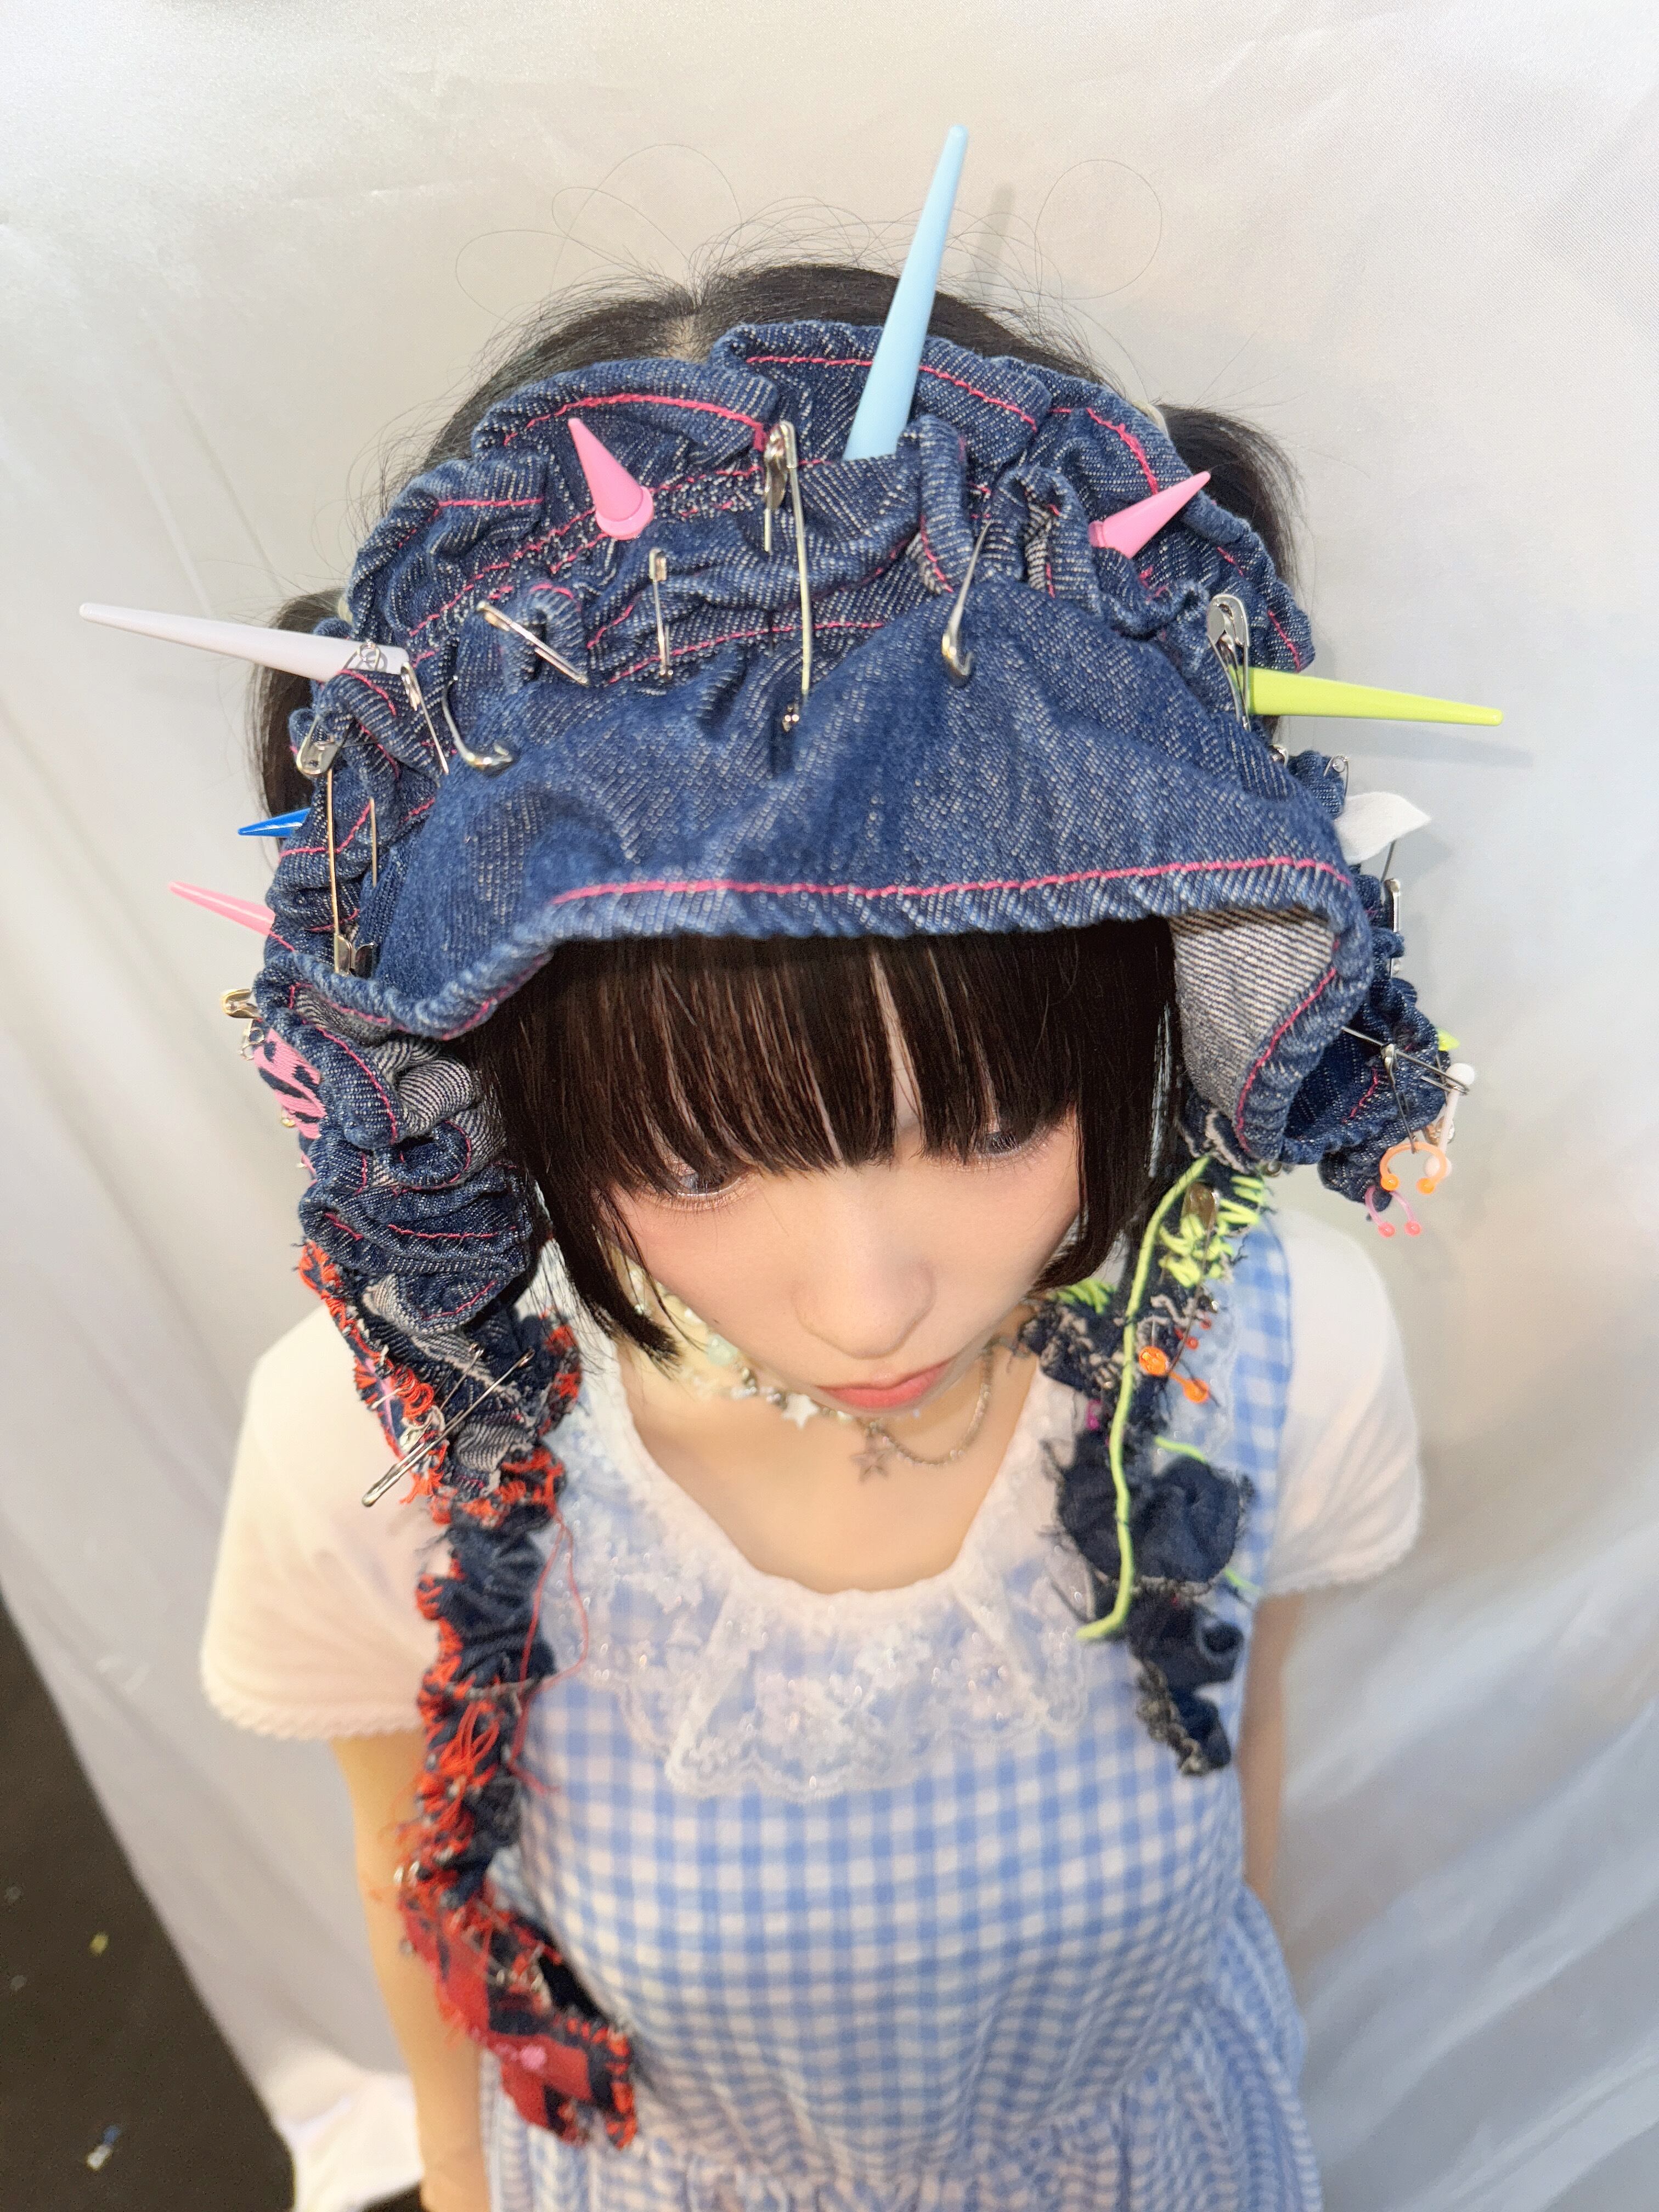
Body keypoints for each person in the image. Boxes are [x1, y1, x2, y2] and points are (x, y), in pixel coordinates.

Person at [92, 132, 1491, 2211]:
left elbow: (1234, 1817)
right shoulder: (376, 1461)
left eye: (992, 1123)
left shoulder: (1287, 1363)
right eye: (698, 1157)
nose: (868, 1298)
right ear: (513, 1080)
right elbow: (417, 1898)